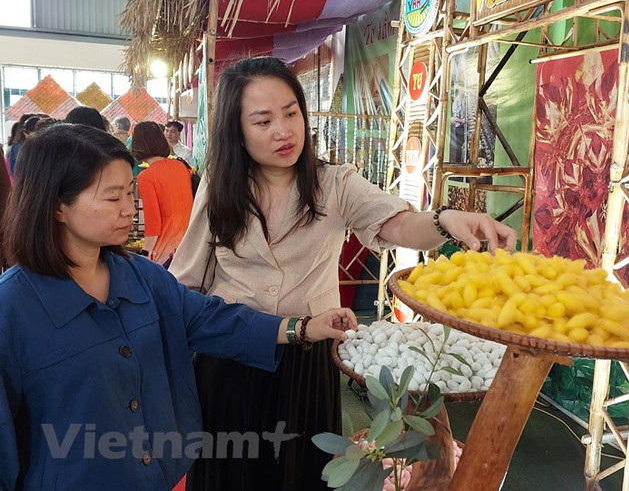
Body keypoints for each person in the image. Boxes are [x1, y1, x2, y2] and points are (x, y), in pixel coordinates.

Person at [169, 56, 517, 490]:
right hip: (232, 356)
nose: (283, 130)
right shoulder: (218, 187)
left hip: (306, 358)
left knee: (298, 472)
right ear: (236, 133)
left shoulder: (334, 183)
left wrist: (445, 220)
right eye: (263, 121)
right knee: (231, 475)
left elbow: (397, 223)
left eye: (291, 113)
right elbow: (187, 280)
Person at [0, 123, 357, 490]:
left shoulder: (141, 277)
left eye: (129, 192)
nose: (130, 209)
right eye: (112, 197)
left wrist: (303, 328)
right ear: (58, 205)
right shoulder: (12, 310)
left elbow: (211, 319)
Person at [130, 121, 193, 267]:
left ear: (138, 144)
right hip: (189, 243)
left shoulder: (146, 177)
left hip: (165, 247)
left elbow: (153, 221)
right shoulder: (181, 167)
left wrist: (145, 253)